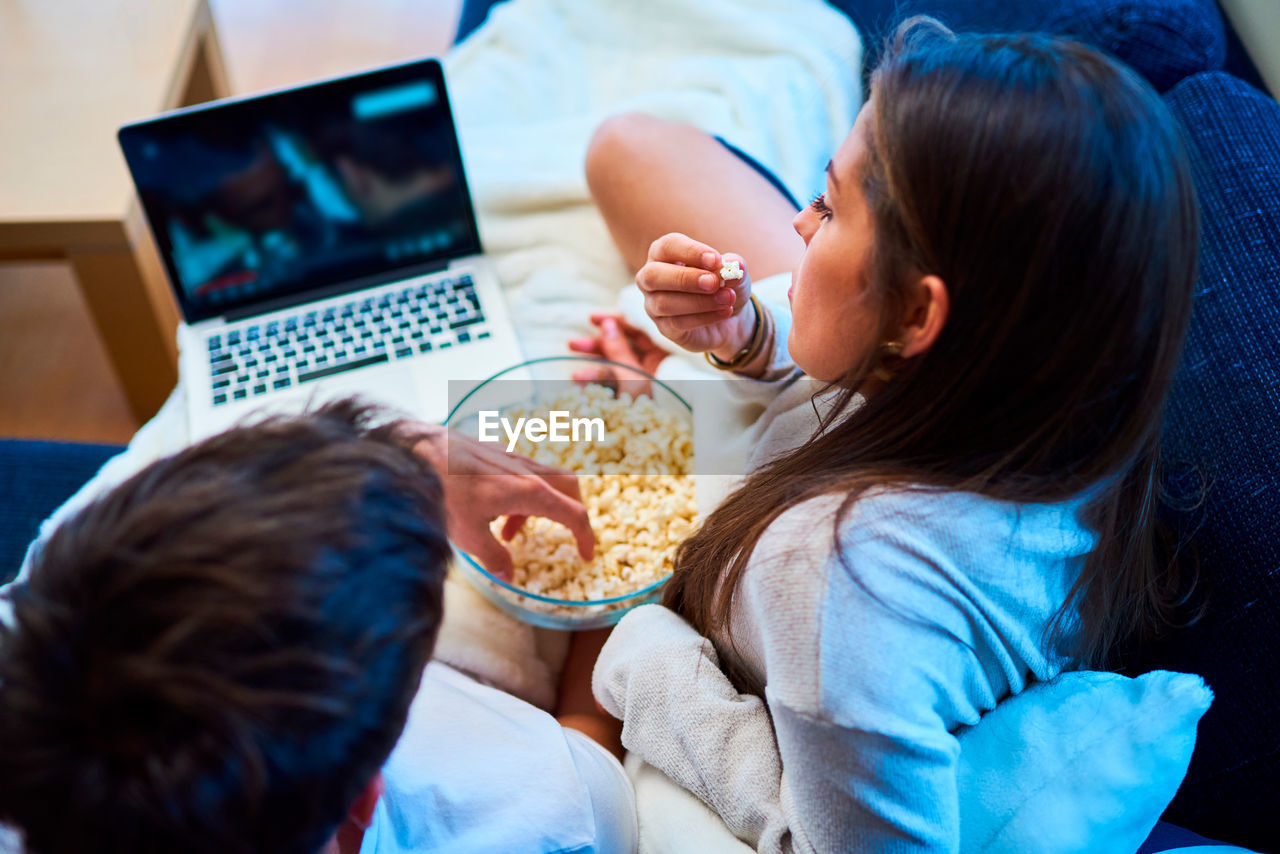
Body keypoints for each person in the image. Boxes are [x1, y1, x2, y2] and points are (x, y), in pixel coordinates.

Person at [572, 18, 1200, 853]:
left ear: (915, 317)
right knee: (627, 148)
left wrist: (647, 663)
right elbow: (849, 391)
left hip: (741, 633)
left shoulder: (837, 583)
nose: (798, 221)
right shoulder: (1072, 394)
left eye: (828, 205)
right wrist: (751, 338)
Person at [0, 401, 634, 854]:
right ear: (361, 807)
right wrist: (607, 582)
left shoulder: (35, 618)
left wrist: (402, 458)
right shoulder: (539, 818)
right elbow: (589, 761)